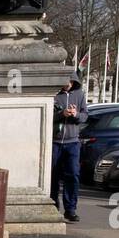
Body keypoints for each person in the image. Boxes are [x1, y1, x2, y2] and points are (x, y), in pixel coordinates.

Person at [52, 72, 87, 222]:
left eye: (70, 82)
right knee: (53, 176)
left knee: (72, 175)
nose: (67, 84)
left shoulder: (79, 95)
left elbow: (85, 116)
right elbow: (47, 114)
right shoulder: (54, 94)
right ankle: (53, 206)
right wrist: (61, 114)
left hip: (72, 142)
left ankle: (70, 209)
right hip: (55, 142)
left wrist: (75, 114)